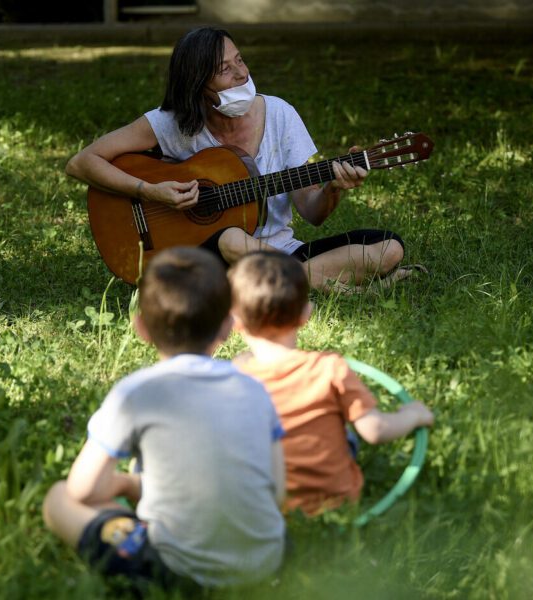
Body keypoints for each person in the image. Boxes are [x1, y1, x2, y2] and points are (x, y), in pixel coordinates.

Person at [65, 26, 418, 293]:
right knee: (231, 237)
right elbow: (82, 162)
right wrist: (149, 191)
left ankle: (285, 281)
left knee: (388, 249)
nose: (241, 74)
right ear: (198, 86)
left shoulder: (279, 114)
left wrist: (333, 188)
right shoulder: (169, 123)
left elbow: (313, 212)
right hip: (206, 257)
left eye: (240, 60)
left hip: (279, 251)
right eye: (225, 69)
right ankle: (345, 288)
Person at [43, 246, 287, 590]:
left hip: (174, 572)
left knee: (58, 498)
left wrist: (128, 486)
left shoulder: (136, 393)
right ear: (228, 325)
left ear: (141, 328)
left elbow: (82, 489)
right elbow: (276, 493)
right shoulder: (254, 389)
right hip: (264, 565)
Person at [229, 250, 435, 516]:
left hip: (267, 510)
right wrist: (413, 414)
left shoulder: (235, 380)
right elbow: (375, 430)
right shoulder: (328, 368)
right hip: (338, 503)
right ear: (306, 313)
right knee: (344, 430)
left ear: (235, 324)